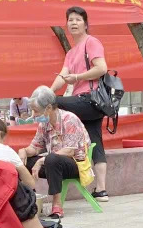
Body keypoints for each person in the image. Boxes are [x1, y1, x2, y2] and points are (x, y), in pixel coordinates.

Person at [49, 6, 110, 202]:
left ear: (85, 23)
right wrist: (48, 92)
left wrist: (76, 77)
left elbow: (101, 68)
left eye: (78, 19)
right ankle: (101, 191)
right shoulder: (71, 52)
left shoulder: (91, 42)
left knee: (55, 103)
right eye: (70, 20)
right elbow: (62, 76)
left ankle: (56, 151)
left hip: (90, 99)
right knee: (96, 144)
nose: (74, 23)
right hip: (85, 104)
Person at [18, 86, 91, 220]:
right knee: (22, 162)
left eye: (36, 111)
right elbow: (35, 147)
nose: (34, 115)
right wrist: (22, 151)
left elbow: (70, 150)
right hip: (53, 164)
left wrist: (41, 161)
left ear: (49, 108)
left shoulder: (69, 119)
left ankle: (56, 204)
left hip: (74, 164)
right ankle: (29, 201)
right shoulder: (44, 123)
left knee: (52, 158)